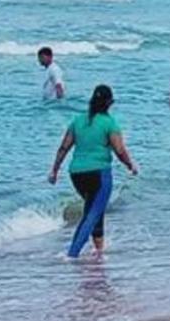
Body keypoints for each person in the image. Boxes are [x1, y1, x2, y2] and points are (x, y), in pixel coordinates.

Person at [48, 84, 139, 258]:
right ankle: (72, 254)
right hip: (99, 173)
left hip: (77, 174)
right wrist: (130, 165)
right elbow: (119, 150)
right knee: (93, 213)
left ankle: (98, 251)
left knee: (95, 208)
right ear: (109, 103)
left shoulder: (78, 121)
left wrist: (54, 170)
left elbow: (63, 148)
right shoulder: (109, 123)